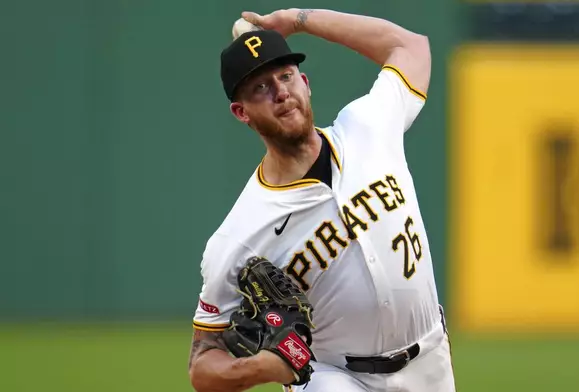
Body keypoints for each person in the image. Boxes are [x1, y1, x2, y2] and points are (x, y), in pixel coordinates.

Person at [188, 8, 456, 392]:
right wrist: (262, 368)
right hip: (333, 377)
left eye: (286, 75)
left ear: (306, 82)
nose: (281, 92)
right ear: (241, 112)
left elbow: (409, 46)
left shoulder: (368, 126)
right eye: (261, 87)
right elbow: (202, 364)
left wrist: (300, 20)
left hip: (430, 360)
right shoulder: (238, 237)